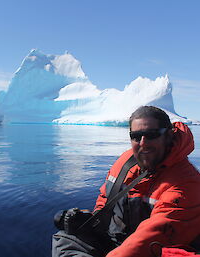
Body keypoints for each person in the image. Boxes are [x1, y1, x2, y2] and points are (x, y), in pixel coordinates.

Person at [52, 106, 200, 257]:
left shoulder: (186, 182)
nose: (143, 143)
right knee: (65, 238)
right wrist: (93, 219)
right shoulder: (124, 163)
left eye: (151, 135)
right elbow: (105, 198)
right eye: (136, 136)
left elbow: (151, 238)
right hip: (119, 240)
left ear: (168, 136)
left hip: (155, 249)